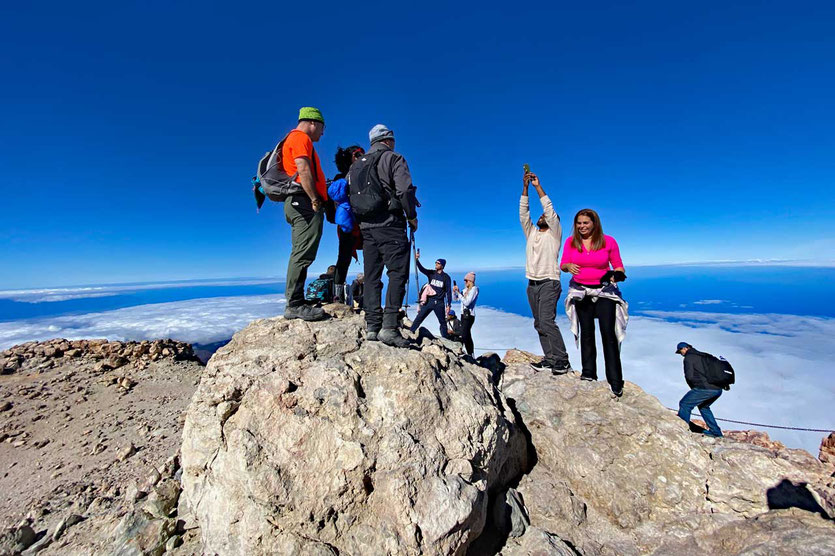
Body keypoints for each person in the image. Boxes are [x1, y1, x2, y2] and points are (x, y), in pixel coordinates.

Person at [349, 124, 418, 347]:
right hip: (390, 224)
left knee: (371, 275)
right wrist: (411, 216)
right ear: (388, 140)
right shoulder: (394, 158)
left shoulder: (356, 166)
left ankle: (372, 326)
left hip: (366, 228)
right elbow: (404, 190)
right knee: (397, 272)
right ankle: (389, 327)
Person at [561, 209, 628, 397]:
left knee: (609, 335)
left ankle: (615, 380)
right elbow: (563, 263)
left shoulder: (609, 241)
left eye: (585, 223)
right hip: (581, 291)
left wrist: (617, 275)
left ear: (594, 223)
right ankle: (588, 373)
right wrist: (568, 267)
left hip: (604, 292)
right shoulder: (571, 242)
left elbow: (618, 264)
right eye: (579, 223)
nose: (582, 226)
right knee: (587, 334)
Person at [520, 171, 572, 374]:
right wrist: (524, 188)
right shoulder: (531, 232)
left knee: (547, 321)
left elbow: (549, 210)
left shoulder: (554, 234)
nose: (542, 217)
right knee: (539, 323)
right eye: (540, 216)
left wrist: (537, 187)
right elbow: (524, 213)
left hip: (549, 282)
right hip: (532, 284)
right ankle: (550, 358)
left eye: (545, 217)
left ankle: (562, 360)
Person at [282, 107, 329, 322]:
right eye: (322, 128)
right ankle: (294, 305)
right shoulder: (301, 138)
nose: (322, 134)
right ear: (313, 122)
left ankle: (296, 300)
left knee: (301, 251)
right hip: (303, 202)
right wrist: (314, 199)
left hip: (296, 202)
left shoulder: (293, 138)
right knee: (303, 253)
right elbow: (303, 169)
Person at [329, 146, 365, 303]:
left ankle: (337, 294)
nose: (362, 157)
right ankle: (338, 295)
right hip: (358, 223)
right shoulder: (359, 176)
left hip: (347, 225)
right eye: (358, 154)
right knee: (346, 258)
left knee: (343, 258)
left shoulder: (339, 177)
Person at [676, 342, 726, 437]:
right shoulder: (704, 355)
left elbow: (689, 376)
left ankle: (682, 431)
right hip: (718, 389)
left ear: (685, 348)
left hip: (705, 389)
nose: (681, 354)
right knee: (704, 407)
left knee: (685, 404)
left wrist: (695, 388)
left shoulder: (689, 358)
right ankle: (716, 433)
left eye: (680, 351)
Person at [409, 254, 452, 339]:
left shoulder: (446, 277)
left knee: (442, 322)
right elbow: (422, 269)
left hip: (439, 303)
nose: (436, 264)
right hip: (429, 301)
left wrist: (449, 304)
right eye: (435, 262)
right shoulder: (431, 273)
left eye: (438, 263)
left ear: (442, 266)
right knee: (420, 316)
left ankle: (446, 339)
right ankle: (411, 331)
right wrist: (417, 260)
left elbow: (448, 291)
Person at [452, 272, 479, 356]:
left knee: (464, 334)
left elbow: (467, 302)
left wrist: (459, 294)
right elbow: (455, 299)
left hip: (469, 315)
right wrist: (455, 292)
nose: (465, 282)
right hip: (463, 315)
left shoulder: (474, 289)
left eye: (466, 281)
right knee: (466, 334)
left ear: (471, 281)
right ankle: (470, 353)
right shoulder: (465, 290)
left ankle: (469, 353)